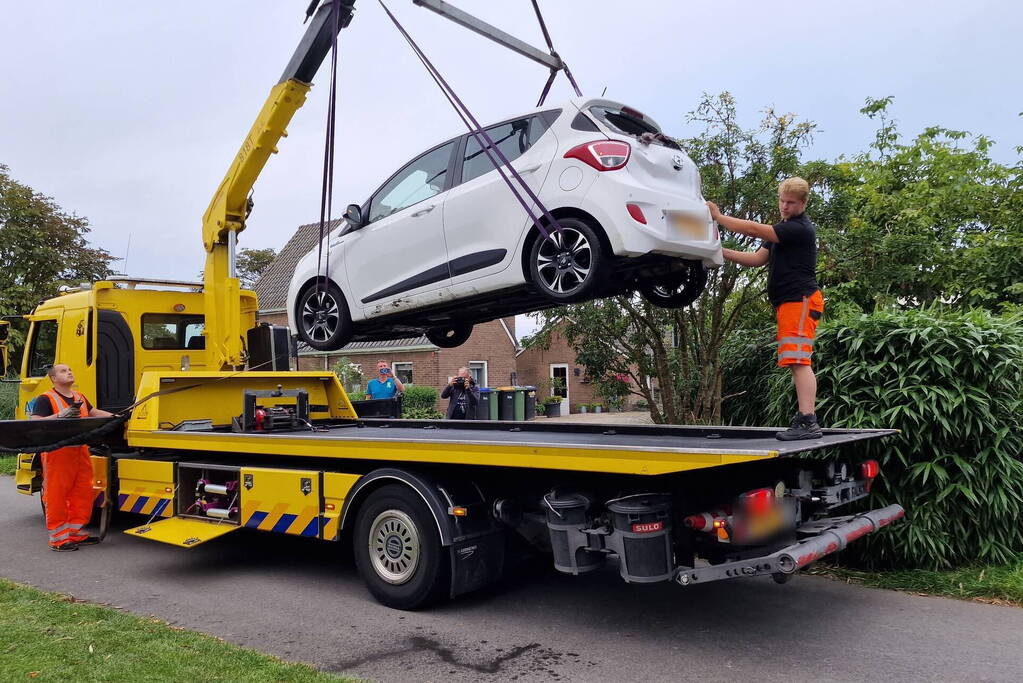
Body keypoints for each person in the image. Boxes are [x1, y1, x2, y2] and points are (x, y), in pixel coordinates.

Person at [707, 177, 824, 441]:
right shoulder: (783, 228)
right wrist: (717, 250)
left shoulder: (799, 228)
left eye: (791, 203)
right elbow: (756, 259)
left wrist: (719, 217)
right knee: (795, 361)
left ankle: (808, 421)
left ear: (803, 203)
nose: (784, 206)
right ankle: (806, 420)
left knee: (798, 361)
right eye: (782, 201)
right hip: (790, 303)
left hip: (800, 300)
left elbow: (753, 229)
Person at [30, 364, 113, 551]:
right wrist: (60, 415)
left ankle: (75, 533)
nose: (69, 371)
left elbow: (93, 412)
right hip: (57, 452)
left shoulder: (79, 396)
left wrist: (116, 417)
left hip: (80, 450)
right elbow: (35, 423)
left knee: (82, 493)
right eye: (63, 371)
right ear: (53, 378)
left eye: (70, 369)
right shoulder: (45, 398)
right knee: (57, 494)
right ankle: (58, 539)